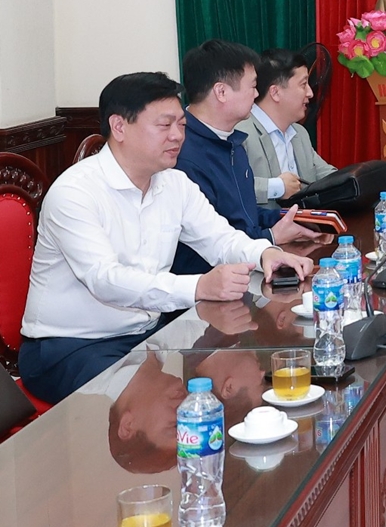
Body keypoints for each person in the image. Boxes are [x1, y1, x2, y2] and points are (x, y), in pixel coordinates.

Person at [19, 72, 315, 403]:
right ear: (119, 127)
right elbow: (105, 280)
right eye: (164, 125)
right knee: (167, 407)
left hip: (145, 336)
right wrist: (200, 286)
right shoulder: (75, 193)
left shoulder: (174, 183)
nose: (177, 136)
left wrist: (266, 254)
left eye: (181, 125)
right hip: (70, 347)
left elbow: (220, 239)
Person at [173, 40, 318, 275]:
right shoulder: (183, 155)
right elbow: (210, 241)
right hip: (210, 283)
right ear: (221, 92)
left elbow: (246, 214)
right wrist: (271, 236)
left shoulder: (232, 142)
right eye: (252, 86)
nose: (257, 94)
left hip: (248, 264)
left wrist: (296, 221)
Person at [238, 48, 337, 211]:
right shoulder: (240, 133)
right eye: (303, 84)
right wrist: (277, 187)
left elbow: (328, 178)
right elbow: (229, 188)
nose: (310, 93)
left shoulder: (300, 133)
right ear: (275, 92)